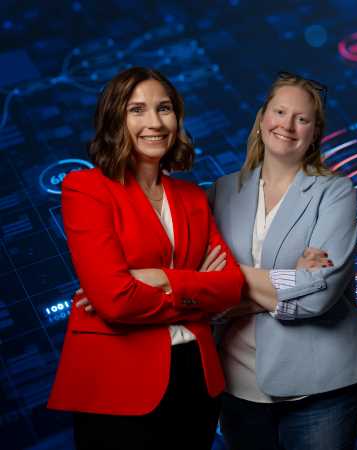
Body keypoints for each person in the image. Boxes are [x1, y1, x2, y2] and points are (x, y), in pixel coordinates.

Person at [48, 67, 244, 449]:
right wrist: (195, 291)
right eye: (137, 109)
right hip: (118, 381)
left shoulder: (192, 197)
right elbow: (115, 301)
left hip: (197, 379)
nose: (154, 122)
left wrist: (159, 278)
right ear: (115, 120)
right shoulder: (86, 189)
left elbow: (231, 287)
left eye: (164, 108)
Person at [209, 71, 357, 450]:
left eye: (302, 119)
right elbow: (202, 289)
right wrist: (291, 278)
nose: (287, 125)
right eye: (280, 112)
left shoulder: (335, 192)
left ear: (315, 133)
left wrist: (229, 280)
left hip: (322, 389)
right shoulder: (222, 191)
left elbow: (320, 296)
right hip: (237, 389)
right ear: (262, 118)